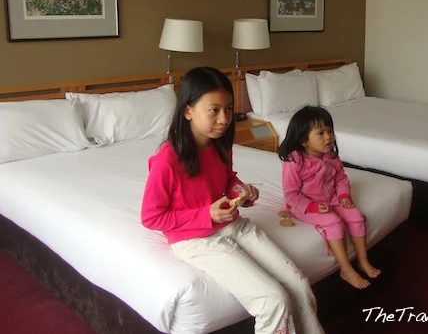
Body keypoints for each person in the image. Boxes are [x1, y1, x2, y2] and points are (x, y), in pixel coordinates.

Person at [141, 67, 324, 334]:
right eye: (214, 110)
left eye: (228, 109)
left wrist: (241, 192)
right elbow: (151, 217)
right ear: (188, 111)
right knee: (273, 300)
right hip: (195, 239)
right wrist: (207, 214)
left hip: (232, 225)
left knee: (299, 284)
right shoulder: (167, 160)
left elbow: (227, 179)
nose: (224, 119)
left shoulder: (220, 145)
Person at [279, 106, 381, 289]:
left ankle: (363, 260)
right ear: (304, 140)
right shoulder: (294, 161)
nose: (328, 137)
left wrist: (343, 195)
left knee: (356, 216)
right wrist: (313, 207)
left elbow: (341, 178)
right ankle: (345, 269)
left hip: (332, 198)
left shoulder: (331, 155)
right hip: (305, 205)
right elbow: (291, 194)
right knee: (333, 221)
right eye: (320, 133)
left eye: (330, 131)